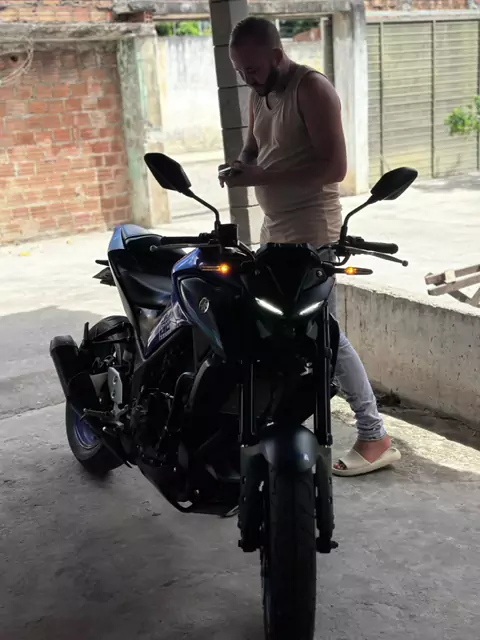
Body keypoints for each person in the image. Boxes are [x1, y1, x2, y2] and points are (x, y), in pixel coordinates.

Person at [219, 16, 401, 477]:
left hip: (313, 234)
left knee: (324, 335)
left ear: (277, 55)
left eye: (253, 69)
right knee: (278, 331)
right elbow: (253, 147)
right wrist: (240, 166)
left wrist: (261, 176)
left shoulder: (311, 89)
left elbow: (334, 167)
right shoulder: (261, 93)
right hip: (275, 231)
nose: (247, 78)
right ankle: (281, 422)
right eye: (240, 71)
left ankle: (375, 434)